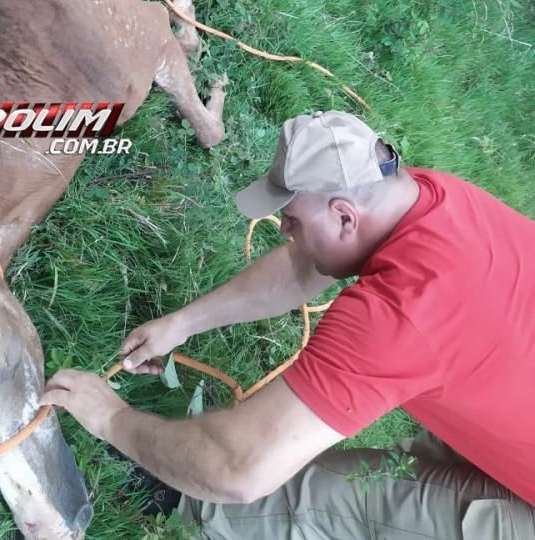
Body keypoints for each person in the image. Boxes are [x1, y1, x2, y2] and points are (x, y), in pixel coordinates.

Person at [40, 110, 535, 539]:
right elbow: (304, 266)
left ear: (345, 217)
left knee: (314, 499)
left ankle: (178, 509)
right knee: (405, 481)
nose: (283, 229)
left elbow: (238, 468)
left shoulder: (401, 313)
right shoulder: (421, 196)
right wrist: (183, 322)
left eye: (293, 220)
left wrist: (111, 419)